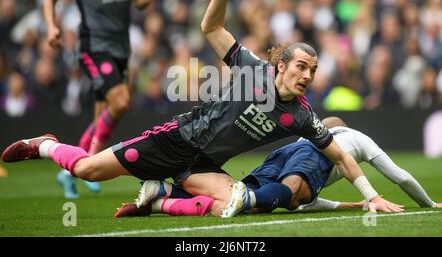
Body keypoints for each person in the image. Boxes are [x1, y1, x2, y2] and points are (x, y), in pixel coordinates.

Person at [2, 0, 401, 217]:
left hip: (205, 163)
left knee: (237, 204)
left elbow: (342, 156)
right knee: (88, 169)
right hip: (176, 140)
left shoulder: (301, 116)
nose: (307, 76)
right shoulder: (252, 69)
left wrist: (372, 196)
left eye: (312, 70)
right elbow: (210, 27)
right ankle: (47, 145)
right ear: (280, 65)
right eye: (300, 66)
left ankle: (159, 198)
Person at [115, 117, 439, 218]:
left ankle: (163, 194)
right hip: (306, 157)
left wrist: (349, 203)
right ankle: (165, 196)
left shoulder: (306, 137)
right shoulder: (356, 138)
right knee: (284, 196)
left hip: (283, 153)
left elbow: (303, 201)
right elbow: (402, 176)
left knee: (252, 200)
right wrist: (429, 204)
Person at [42, 0, 155, 198]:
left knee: (103, 114)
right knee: (121, 101)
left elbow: (139, 1)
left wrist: (144, 0)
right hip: (93, 46)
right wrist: (52, 27)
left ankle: (71, 170)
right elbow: (50, 0)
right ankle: (87, 161)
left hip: (121, 48)